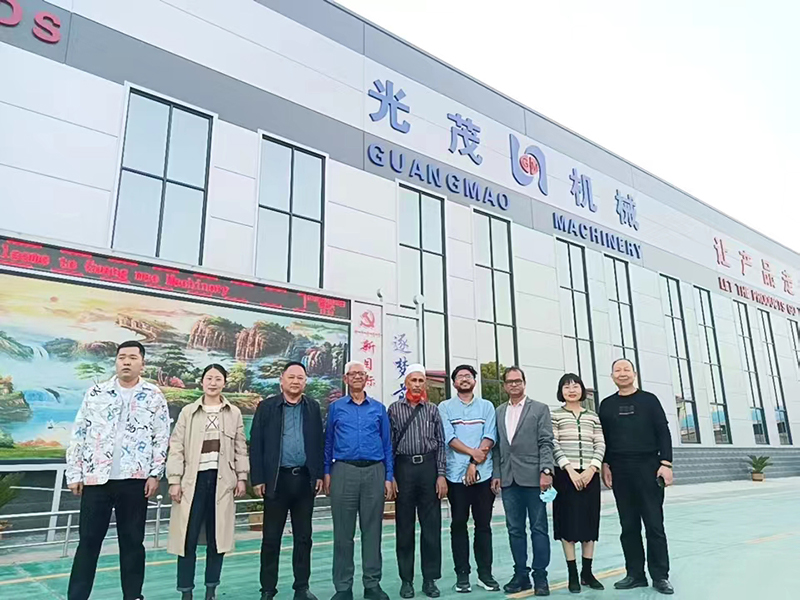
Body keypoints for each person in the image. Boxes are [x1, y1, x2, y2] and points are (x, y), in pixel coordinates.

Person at [65, 340, 170, 600]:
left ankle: (133, 595)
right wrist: (75, 473)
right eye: (122, 357)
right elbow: (79, 433)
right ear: (116, 361)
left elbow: (161, 436)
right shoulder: (96, 392)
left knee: (132, 542)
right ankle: (77, 596)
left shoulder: (154, 396)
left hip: (134, 480)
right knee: (88, 542)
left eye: (133, 357)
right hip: (96, 479)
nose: (126, 362)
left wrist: (155, 473)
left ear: (142, 363)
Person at [166, 364, 249, 600]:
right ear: (202, 382)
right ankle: (186, 592)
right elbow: (176, 447)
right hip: (192, 482)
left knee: (216, 539)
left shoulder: (234, 413)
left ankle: (211, 590)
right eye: (209, 378)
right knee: (187, 538)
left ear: (224, 383)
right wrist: (174, 480)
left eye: (218, 379)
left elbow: (240, 447)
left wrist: (242, 477)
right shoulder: (188, 412)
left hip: (221, 482)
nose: (213, 383)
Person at [599, 358, 674, 595]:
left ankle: (660, 576)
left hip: (648, 466)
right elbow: (604, 439)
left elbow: (663, 431)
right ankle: (635, 574)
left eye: (626, 369)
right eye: (617, 370)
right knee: (628, 525)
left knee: (654, 524)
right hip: (620, 469)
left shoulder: (649, 400)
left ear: (634, 374)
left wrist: (666, 463)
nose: (622, 373)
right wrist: (605, 464)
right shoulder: (607, 405)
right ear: (612, 376)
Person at [251, 362, 324, 600]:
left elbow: (319, 442)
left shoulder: (312, 407)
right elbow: (256, 443)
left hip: (304, 480)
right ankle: (267, 590)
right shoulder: (267, 407)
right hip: (276, 481)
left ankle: (301, 588)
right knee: (271, 538)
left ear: (305, 382)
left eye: (300, 378)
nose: (295, 381)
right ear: (281, 380)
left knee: (304, 538)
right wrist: (258, 478)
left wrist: (318, 474)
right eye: (291, 377)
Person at [324, 361, 394, 600]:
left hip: (374, 471)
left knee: (372, 531)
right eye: (352, 374)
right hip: (344, 471)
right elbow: (328, 442)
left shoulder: (379, 409)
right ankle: (343, 588)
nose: (356, 377)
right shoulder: (336, 408)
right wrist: (326, 472)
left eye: (360, 374)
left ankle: (372, 585)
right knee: (343, 533)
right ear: (345, 379)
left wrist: (388, 476)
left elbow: (387, 444)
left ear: (366, 378)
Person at [491, 367, 554, 597]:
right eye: (509, 381)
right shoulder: (499, 411)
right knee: (515, 529)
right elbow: (497, 447)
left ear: (524, 383)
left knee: (538, 528)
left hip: (534, 478)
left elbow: (546, 442)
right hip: (509, 480)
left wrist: (546, 471)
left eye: (517, 381)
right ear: (504, 386)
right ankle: (521, 575)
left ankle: (540, 576)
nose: (514, 385)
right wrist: (496, 473)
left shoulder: (539, 409)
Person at [387, 364, 448, 599]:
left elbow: (441, 443)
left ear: (425, 385)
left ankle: (430, 579)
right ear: (406, 384)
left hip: (428, 468)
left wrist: (441, 474)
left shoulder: (432, 410)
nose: (417, 385)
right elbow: (388, 445)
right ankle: (406, 580)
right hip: (403, 469)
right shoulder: (394, 409)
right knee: (404, 527)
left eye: (421, 381)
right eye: (413, 380)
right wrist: (391, 476)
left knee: (431, 527)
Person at [438, 364, 499, 594]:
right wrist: (472, 454)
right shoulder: (445, 407)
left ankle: (485, 574)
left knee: (483, 526)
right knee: (458, 525)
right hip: (455, 476)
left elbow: (489, 435)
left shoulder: (487, 406)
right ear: (454, 383)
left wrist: (474, 462)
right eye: (460, 376)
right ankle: (462, 575)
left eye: (468, 376)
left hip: (483, 475)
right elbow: (449, 437)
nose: (464, 379)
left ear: (474, 380)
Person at [551, 373, 606, 593]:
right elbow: (553, 443)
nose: (571, 390)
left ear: (582, 390)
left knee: (589, 523)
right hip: (565, 476)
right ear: (561, 391)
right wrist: (570, 470)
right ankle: (572, 574)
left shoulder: (593, 416)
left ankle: (587, 573)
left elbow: (600, 443)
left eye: (575, 386)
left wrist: (592, 468)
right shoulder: (555, 415)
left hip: (590, 476)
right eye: (566, 387)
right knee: (568, 524)